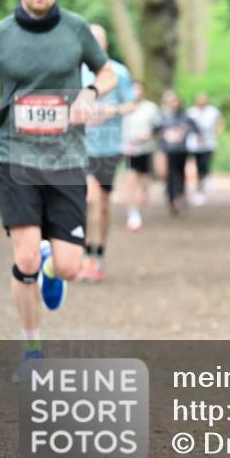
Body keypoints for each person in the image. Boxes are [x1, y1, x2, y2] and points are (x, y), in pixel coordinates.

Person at [0, 0, 117, 374]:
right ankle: (32, 350)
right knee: (23, 260)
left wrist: (90, 93)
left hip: (67, 161)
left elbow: (108, 72)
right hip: (17, 158)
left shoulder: (75, 30)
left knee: (71, 266)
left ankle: (52, 268)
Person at [77, 25, 136, 282]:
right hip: (81, 147)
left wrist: (113, 111)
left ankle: (99, 253)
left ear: (105, 44)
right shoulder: (75, 71)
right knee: (89, 199)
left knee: (102, 204)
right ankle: (84, 255)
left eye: (98, 40)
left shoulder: (118, 72)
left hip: (110, 148)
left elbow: (131, 104)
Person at [122, 81, 161, 231]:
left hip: (145, 149)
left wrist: (150, 133)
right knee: (130, 179)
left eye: (139, 89)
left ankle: (144, 191)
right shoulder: (123, 107)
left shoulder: (150, 108)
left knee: (144, 179)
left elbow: (159, 125)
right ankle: (133, 214)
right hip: (128, 150)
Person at [156, 89, 197, 215]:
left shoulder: (185, 116)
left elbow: (194, 128)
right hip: (167, 150)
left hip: (181, 150)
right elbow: (155, 130)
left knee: (180, 173)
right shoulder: (162, 116)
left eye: (175, 101)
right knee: (170, 175)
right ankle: (171, 199)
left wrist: (184, 131)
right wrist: (163, 134)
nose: (174, 103)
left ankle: (180, 195)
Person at [186, 92, 224, 206]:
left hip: (208, 144)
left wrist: (217, 133)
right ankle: (199, 189)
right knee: (196, 167)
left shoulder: (213, 111)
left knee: (205, 165)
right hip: (194, 145)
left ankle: (203, 185)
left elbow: (220, 122)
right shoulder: (191, 112)